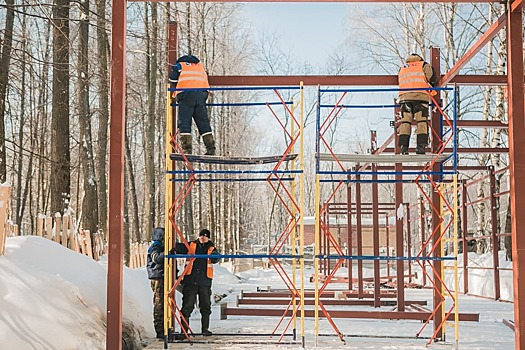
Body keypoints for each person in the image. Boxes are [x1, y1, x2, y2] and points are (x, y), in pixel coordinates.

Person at [172, 229, 220, 339]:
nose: (203, 237)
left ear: (208, 237)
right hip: (190, 281)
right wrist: (171, 246)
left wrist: (214, 256)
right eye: (201, 235)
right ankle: (184, 331)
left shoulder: (212, 248)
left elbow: (216, 258)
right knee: (187, 307)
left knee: (205, 307)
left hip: (204, 282)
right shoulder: (191, 245)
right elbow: (179, 247)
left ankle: (205, 329)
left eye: (205, 236)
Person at [169, 55, 216, 156]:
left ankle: (187, 150)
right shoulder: (200, 66)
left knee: (184, 122)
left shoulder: (179, 65)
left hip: (186, 94)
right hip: (201, 95)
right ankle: (211, 148)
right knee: (203, 122)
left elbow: (172, 80)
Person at [397, 53, 438, 155]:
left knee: (405, 122)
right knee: (421, 121)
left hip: (405, 97)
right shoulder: (423, 65)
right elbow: (432, 77)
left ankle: (403, 147)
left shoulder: (403, 67)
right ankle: (421, 147)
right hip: (420, 97)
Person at [146, 227, 167, 339]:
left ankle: (164, 329)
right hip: (158, 277)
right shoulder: (155, 246)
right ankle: (159, 331)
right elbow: (156, 259)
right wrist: (166, 254)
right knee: (159, 304)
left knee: (163, 303)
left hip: (160, 276)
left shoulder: (159, 246)